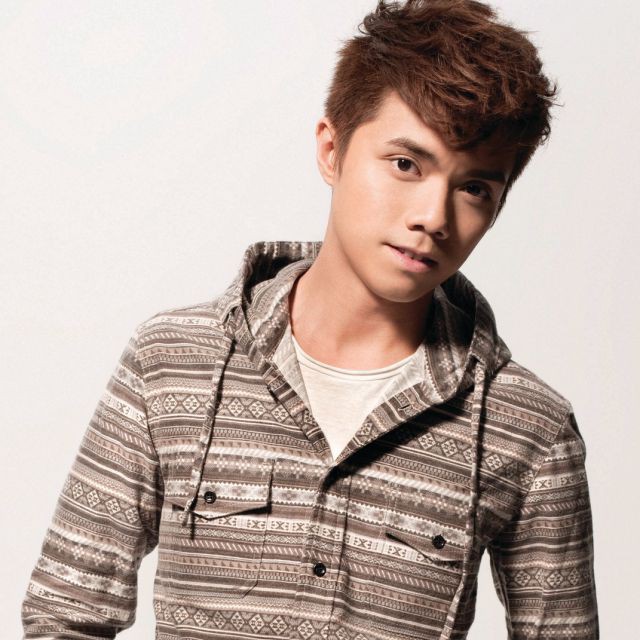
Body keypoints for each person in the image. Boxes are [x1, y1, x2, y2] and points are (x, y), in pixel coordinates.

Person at [21, 1, 599, 638]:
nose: (433, 217)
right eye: (406, 165)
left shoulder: (532, 429)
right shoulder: (170, 361)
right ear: (331, 149)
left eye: (474, 189)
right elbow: (63, 616)